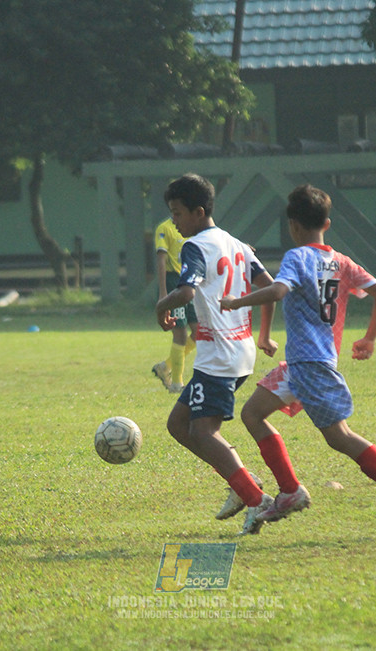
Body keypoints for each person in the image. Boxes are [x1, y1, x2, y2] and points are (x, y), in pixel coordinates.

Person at [221, 185, 376, 536]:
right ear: (326, 224)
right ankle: (290, 491)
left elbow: (277, 290)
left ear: (293, 227)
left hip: (312, 366)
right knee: (251, 413)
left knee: (340, 437)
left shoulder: (296, 257)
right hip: (301, 364)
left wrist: (236, 303)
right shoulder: (341, 262)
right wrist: (369, 338)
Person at [154, 173, 280, 536]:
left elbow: (186, 293)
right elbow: (270, 289)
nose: (174, 223)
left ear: (197, 212)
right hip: (237, 352)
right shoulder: (237, 244)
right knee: (178, 425)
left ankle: (256, 499)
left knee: (203, 431)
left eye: (177, 214)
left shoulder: (196, 247)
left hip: (219, 357)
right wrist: (264, 335)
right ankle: (240, 480)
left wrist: (160, 305)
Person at [150, 216, 197, 393]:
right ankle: (177, 384)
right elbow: (161, 260)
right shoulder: (164, 228)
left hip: (190, 282)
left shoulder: (192, 228)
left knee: (200, 332)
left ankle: (166, 367)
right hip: (173, 282)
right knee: (180, 332)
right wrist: (163, 293)